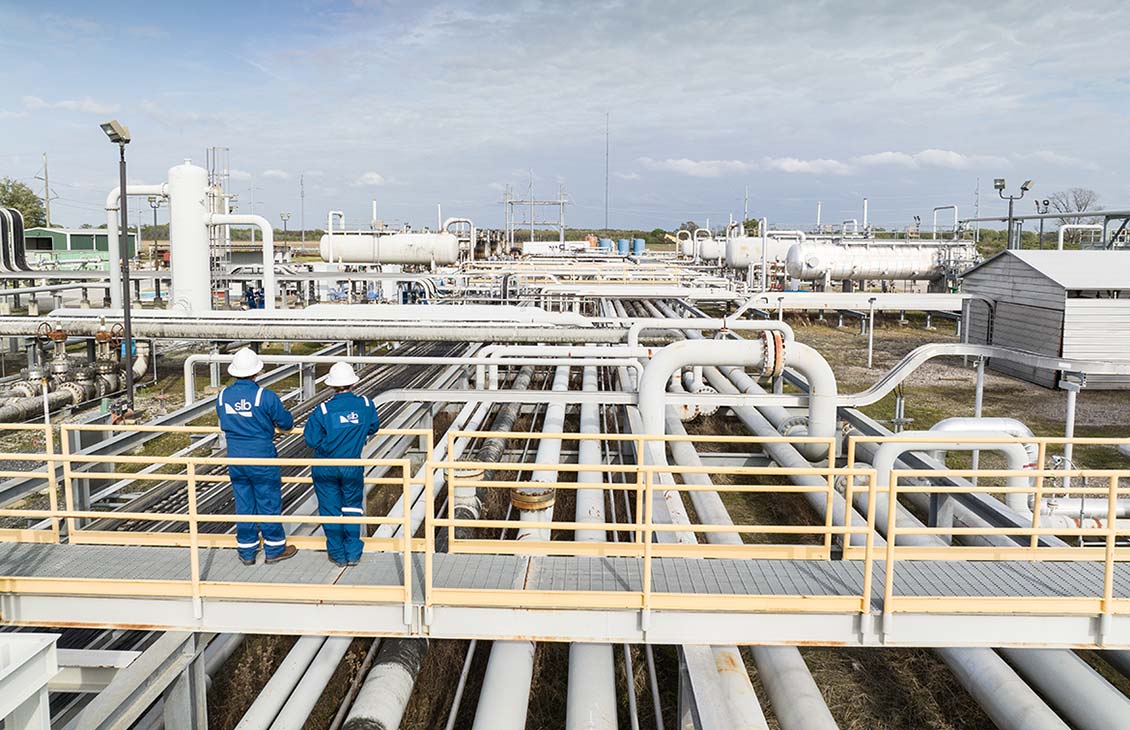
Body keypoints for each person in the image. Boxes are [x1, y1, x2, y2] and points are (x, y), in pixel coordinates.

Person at [217, 347, 297, 566]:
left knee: (243, 503)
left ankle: (247, 550)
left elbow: (225, 420)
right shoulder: (265, 396)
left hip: (235, 457)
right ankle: (274, 549)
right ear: (256, 372)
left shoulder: (223, 396)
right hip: (261, 457)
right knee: (268, 501)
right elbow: (286, 423)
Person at [303, 362, 379, 566]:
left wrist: (328, 446)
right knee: (353, 507)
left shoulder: (323, 410)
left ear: (332, 386)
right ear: (353, 383)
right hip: (351, 464)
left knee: (330, 509)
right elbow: (373, 427)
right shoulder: (365, 404)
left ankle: (337, 554)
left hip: (326, 466)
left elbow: (311, 439)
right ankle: (353, 552)